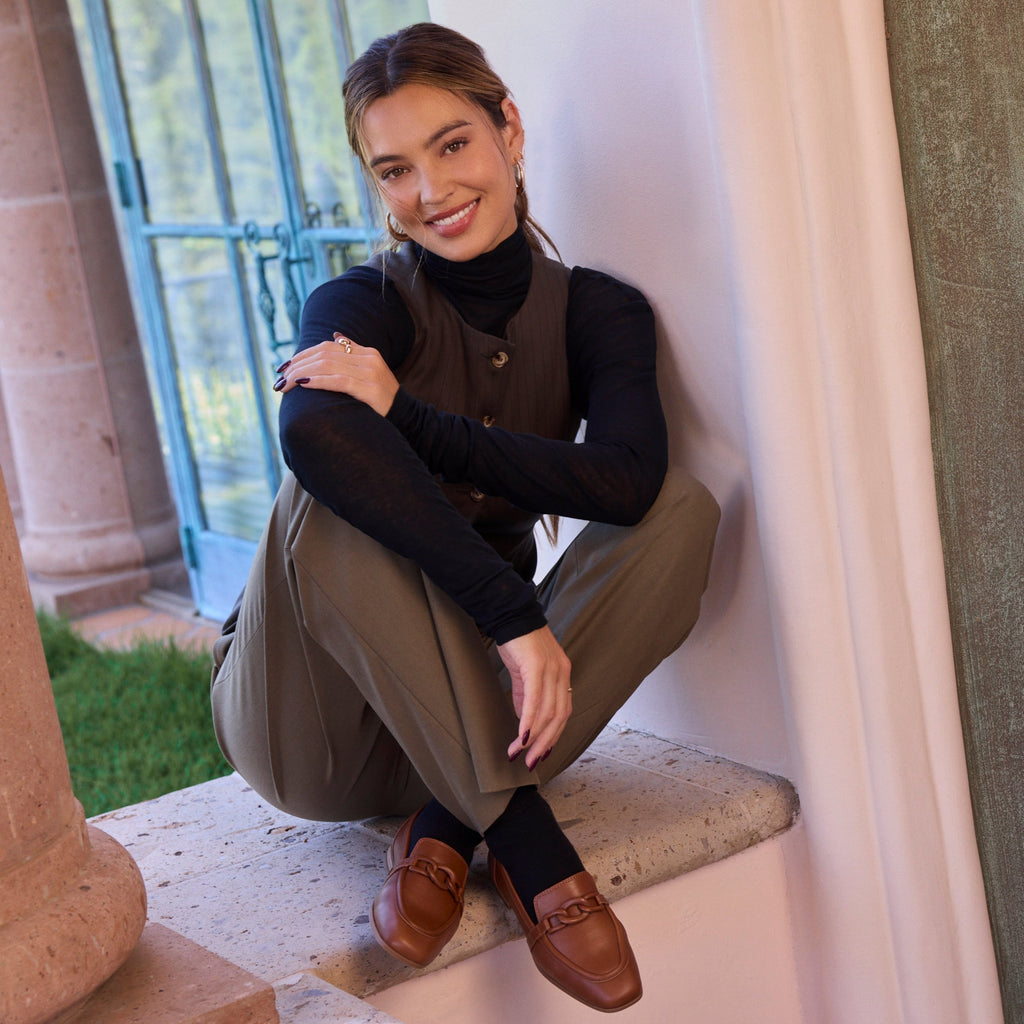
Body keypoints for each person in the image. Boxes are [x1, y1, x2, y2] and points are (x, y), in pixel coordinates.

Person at [211, 21, 719, 1013]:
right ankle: (529, 847)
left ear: (508, 130)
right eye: (394, 169)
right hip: (315, 727)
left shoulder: (597, 312)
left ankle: (448, 819)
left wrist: (405, 416)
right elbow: (314, 436)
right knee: (328, 487)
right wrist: (512, 614)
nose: (431, 190)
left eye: (452, 145)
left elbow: (627, 482)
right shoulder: (359, 303)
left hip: (466, 710)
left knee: (681, 510)